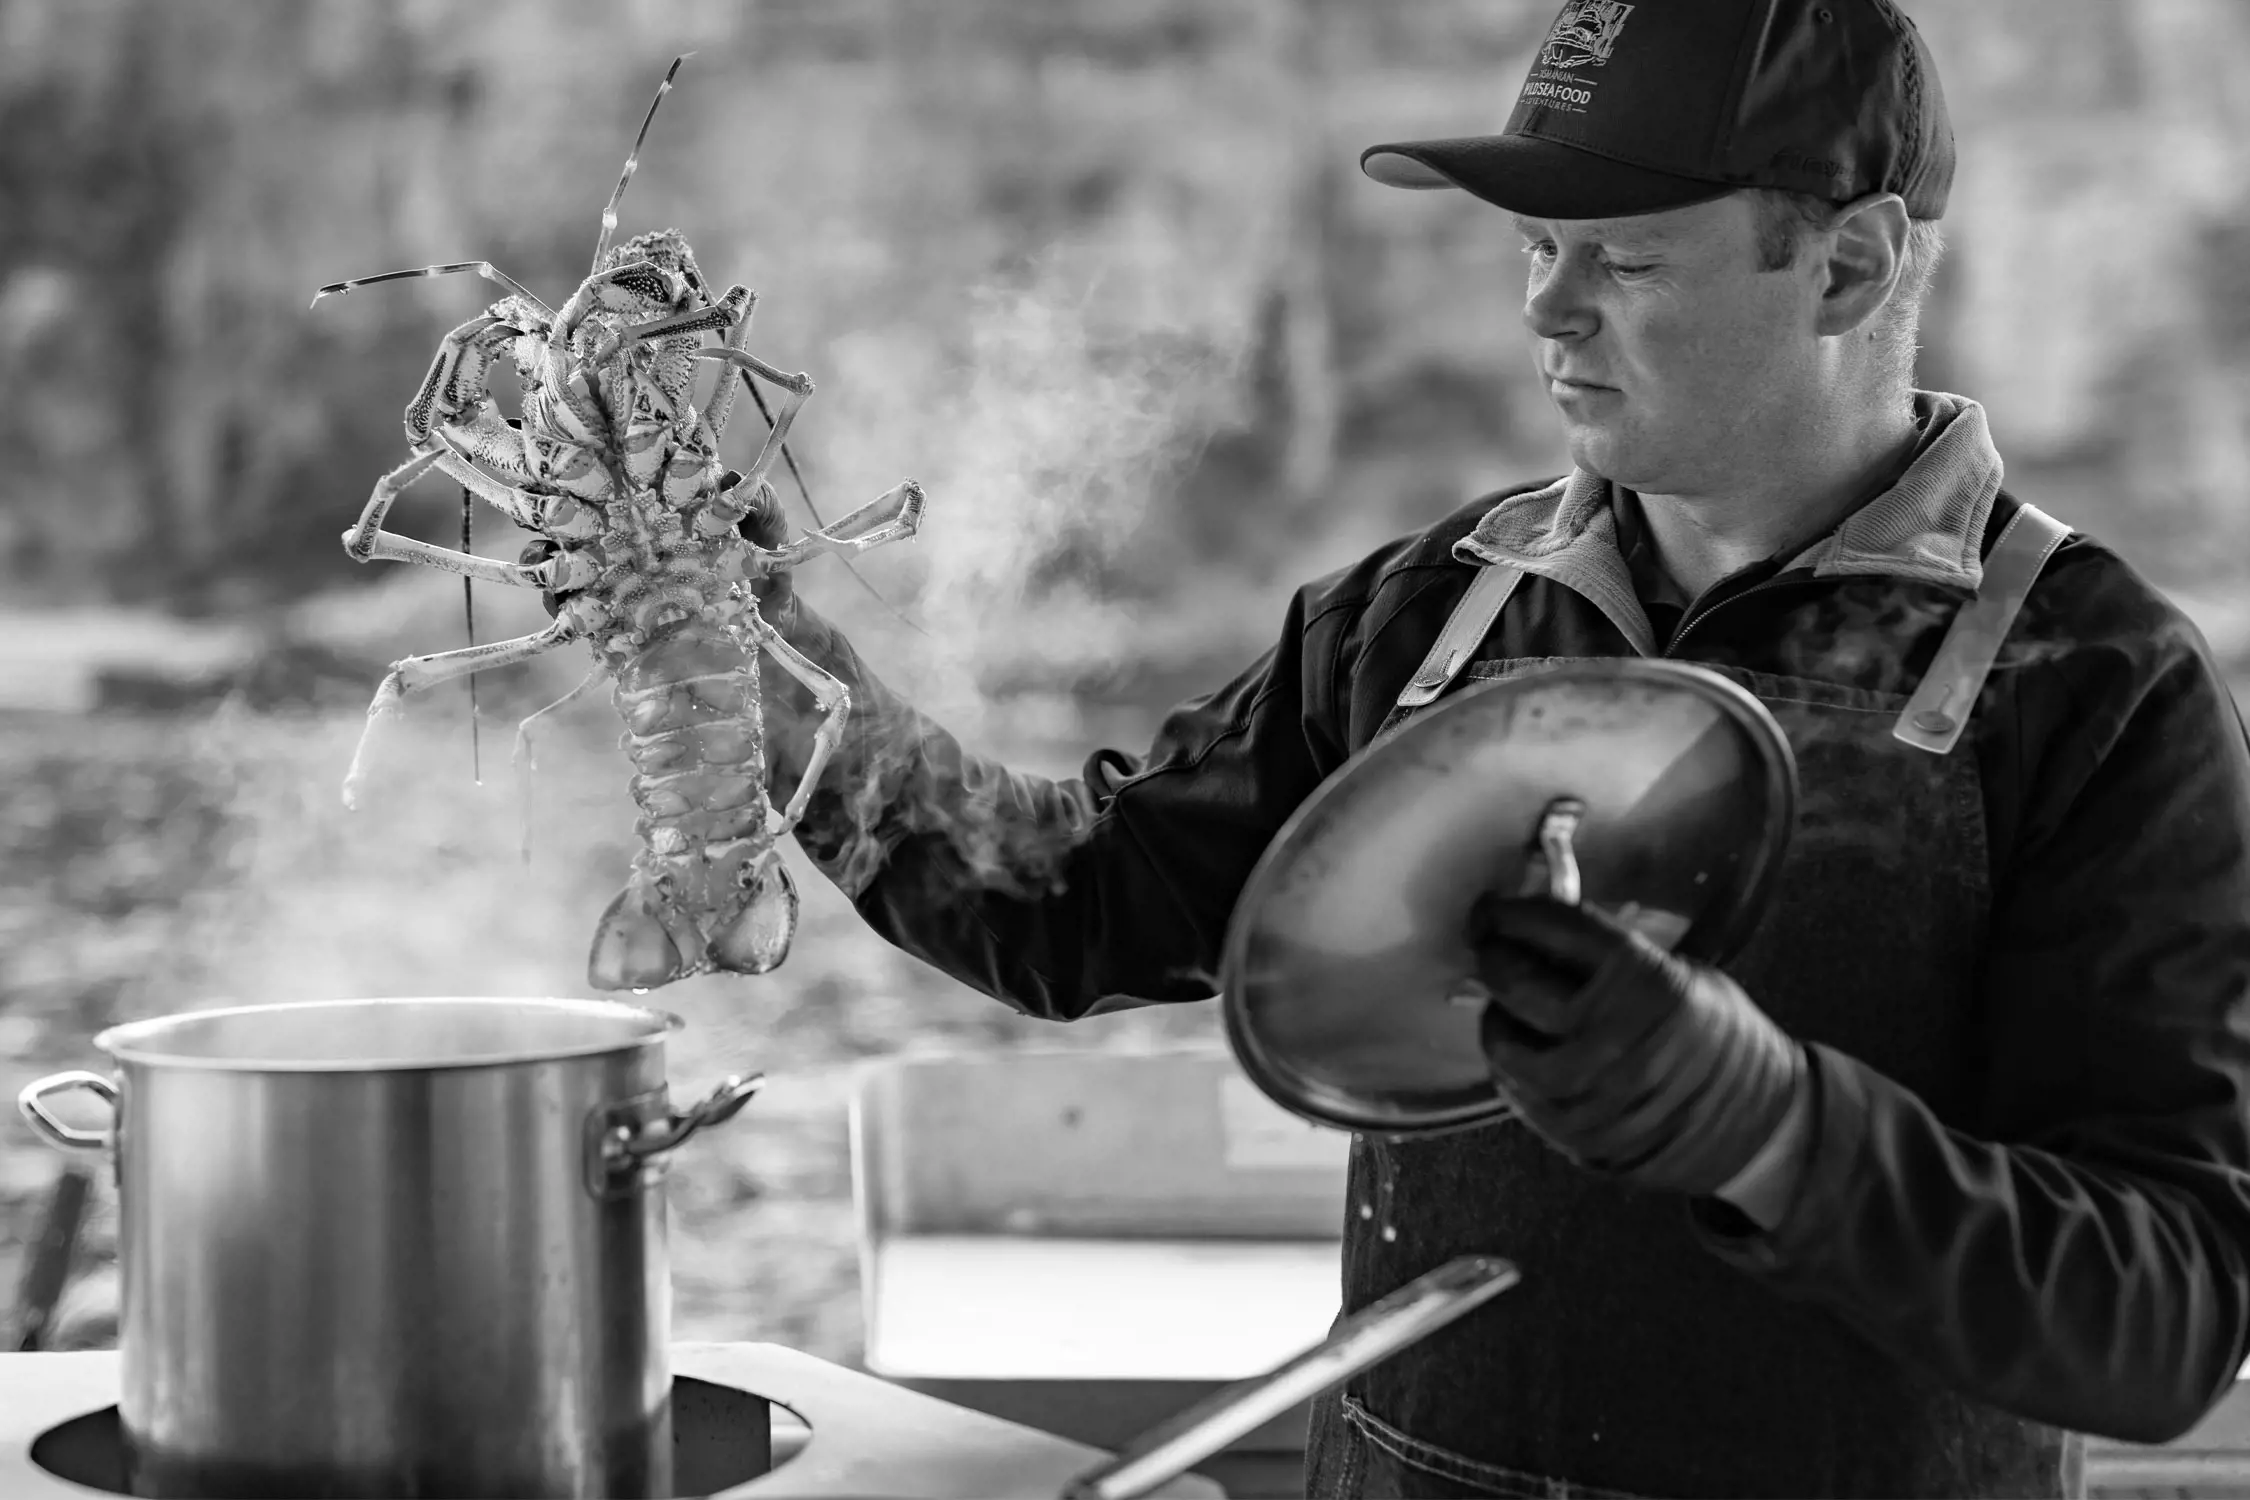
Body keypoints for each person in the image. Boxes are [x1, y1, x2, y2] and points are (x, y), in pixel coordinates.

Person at [712, 1, 2250, 1494]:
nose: (1544, 308)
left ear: (1844, 267)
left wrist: (1771, 1128)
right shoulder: (1427, 614)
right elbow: (1065, 902)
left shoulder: (2095, 686)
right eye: (1534, 247)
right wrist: (794, 695)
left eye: (1623, 260)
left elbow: (2165, 1314)